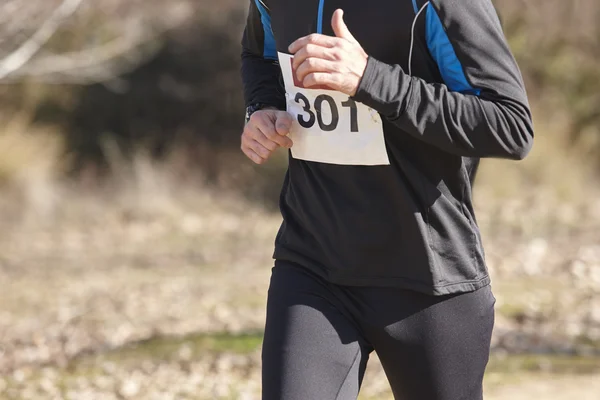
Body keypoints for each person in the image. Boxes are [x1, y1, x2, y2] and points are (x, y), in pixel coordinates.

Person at [240, 0, 533, 399]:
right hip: (313, 263)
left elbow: (509, 125)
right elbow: (260, 57)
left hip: (428, 278)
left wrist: (369, 79)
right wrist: (262, 108)